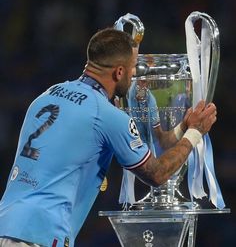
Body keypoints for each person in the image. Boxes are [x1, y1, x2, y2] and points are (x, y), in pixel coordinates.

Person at [0, 28, 217, 247]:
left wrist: (182, 127)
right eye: (132, 69)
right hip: (38, 234)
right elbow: (157, 173)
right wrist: (195, 132)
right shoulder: (106, 115)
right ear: (119, 72)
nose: (134, 76)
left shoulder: (46, 95)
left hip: (6, 223)